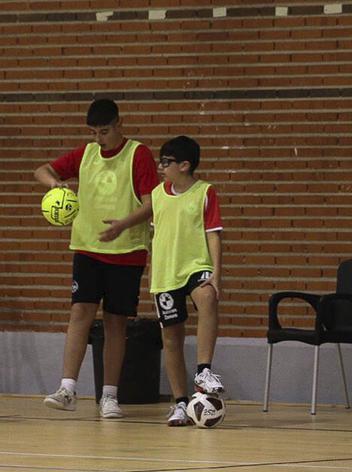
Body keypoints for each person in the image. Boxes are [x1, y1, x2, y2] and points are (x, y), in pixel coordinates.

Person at [34, 99, 159, 419]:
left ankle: (109, 396)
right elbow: (42, 170)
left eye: (104, 131)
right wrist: (55, 184)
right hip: (88, 248)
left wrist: (123, 225)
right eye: (93, 132)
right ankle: (67, 388)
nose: (99, 138)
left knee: (116, 323)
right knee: (80, 313)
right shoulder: (86, 154)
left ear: (120, 124)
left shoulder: (138, 154)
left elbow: (151, 203)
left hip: (126, 252)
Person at [149, 136, 225, 426]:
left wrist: (216, 275)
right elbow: (158, 234)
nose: (160, 167)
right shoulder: (157, 195)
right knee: (171, 337)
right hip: (166, 273)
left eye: (166, 162)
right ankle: (180, 403)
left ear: (184, 165)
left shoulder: (205, 192)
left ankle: (204, 370)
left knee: (207, 297)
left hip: (196, 265)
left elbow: (213, 234)